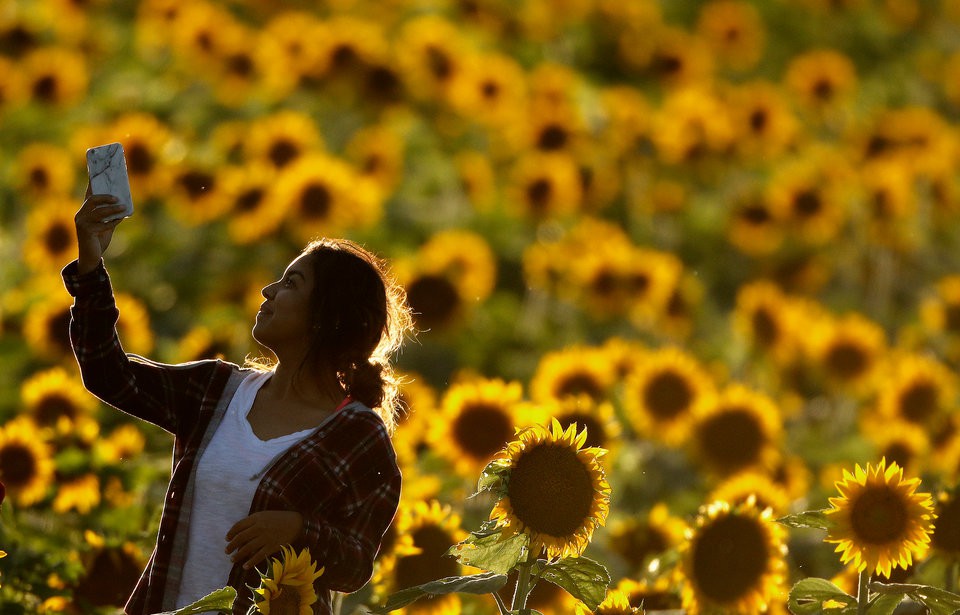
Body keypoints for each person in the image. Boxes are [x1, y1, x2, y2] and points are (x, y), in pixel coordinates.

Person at [64, 185, 412, 614]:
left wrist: (298, 530)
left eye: (291, 283)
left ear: (326, 316)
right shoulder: (216, 391)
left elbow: (356, 563)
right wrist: (91, 263)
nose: (267, 291)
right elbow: (109, 374)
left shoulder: (358, 436)